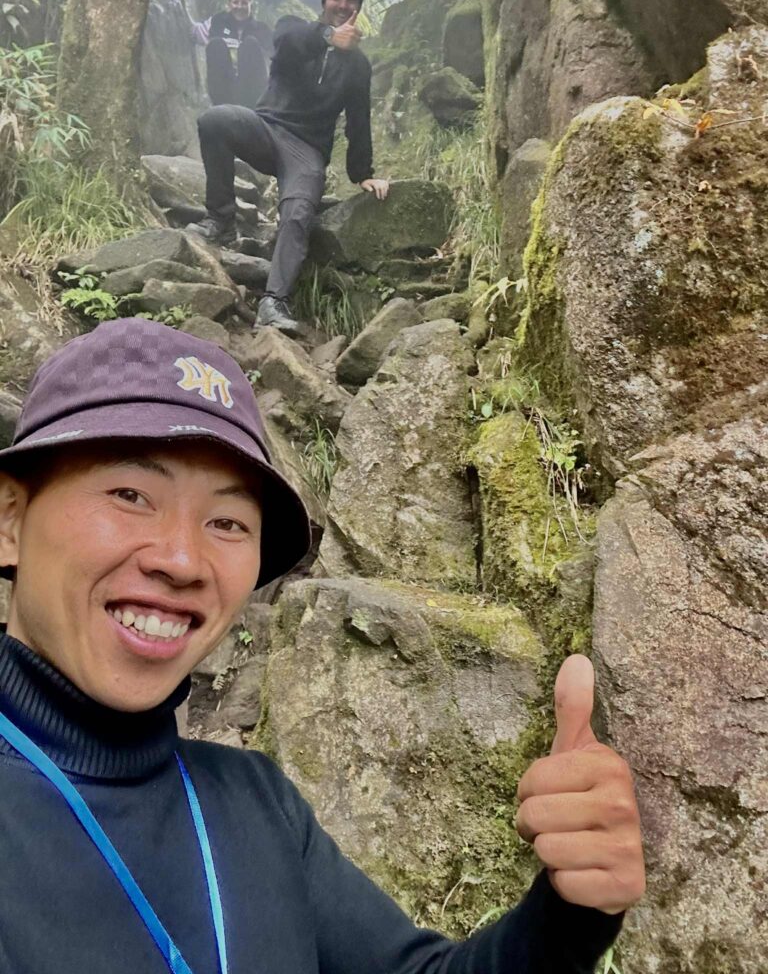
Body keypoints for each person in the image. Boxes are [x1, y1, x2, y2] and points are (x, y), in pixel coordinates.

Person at [0, 316, 645, 973]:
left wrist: (569, 912)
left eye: (226, 520)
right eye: (131, 494)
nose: (182, 559)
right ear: (11, 522)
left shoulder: (255, 803)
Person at [187, 0, 391, 336]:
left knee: (298, 211)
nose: (343, 4)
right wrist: (329, 37)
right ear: (325, 0)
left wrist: (362, 173)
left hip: (306, 150)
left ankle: (273, 301)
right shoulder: (293, 27)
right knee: (214, 120)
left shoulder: (358, 66)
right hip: (265, 127)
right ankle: (221, 219)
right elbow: (287, 45)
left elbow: (359, 119)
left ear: (358, 6)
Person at [170, 0, 273, 110]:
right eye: (236, 2)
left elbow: (272, 61)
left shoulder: (262, 29)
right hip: (223, 87)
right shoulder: (217, 21)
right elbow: (194, 31)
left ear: (251, 5)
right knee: (216, 44)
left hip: (252, 90)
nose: (239, 6)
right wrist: (182, 6)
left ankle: (251, 107)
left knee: (250, 44)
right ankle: (221, 106)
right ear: (229, 4)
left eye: (244, 3)